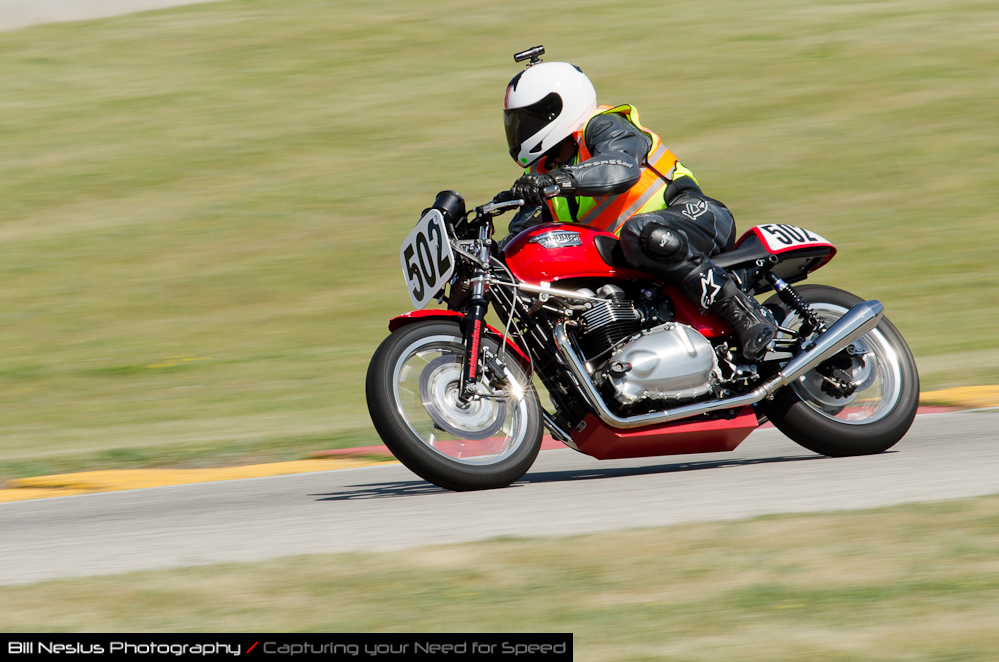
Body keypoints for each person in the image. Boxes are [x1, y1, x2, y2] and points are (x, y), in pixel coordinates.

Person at [502, 54, 777, 361]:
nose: (522, 129)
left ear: (561, 108)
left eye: (531, 118)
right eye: (517, 121)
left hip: (694, 218)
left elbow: (619, 168)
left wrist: (559, 180)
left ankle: (745, 313)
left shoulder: (604, 126)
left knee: (641, 232)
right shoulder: (542, 173)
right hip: (637, 260)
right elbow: (521, 238)